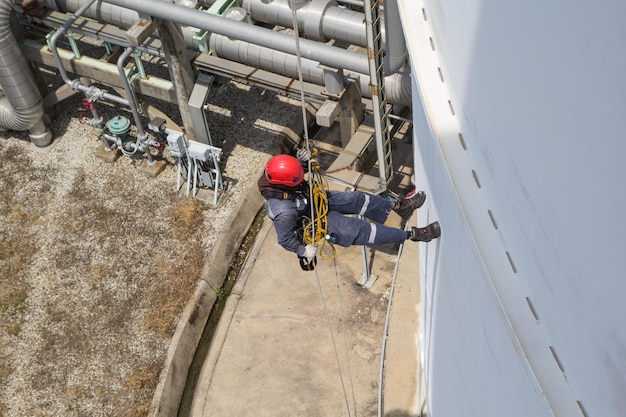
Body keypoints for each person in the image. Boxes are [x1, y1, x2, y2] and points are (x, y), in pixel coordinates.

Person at [258, 153, 441, 263]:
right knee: (359, 230)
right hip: (314, 219)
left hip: (314, 200)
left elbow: (295, 173)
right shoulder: (284, 212)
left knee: (357, 199)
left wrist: (303, 163)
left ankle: (401, 206)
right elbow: (284, 239)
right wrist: (303, 251)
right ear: (286, 185)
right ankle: (415, 236)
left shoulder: (277, 172)